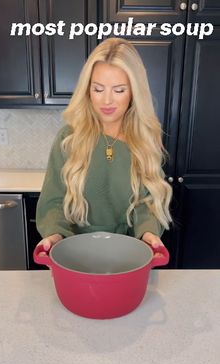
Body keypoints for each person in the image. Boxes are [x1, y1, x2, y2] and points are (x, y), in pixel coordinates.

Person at [36, 37, 172, 254]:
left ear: (134, 93)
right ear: (87, 90)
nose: (107, 101)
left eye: (119, 90)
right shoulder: (68, 139)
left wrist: (149, 233)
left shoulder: (146, 140)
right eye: (98, 89)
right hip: (76, 254)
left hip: (129, 254)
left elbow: (148, 202)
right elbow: (53, 201)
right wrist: (54, 233)